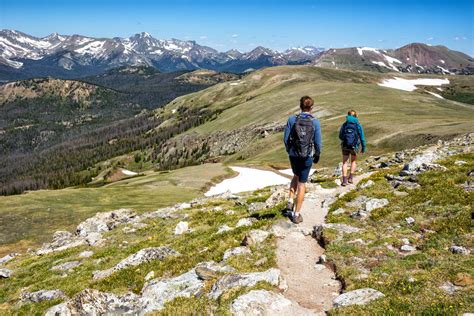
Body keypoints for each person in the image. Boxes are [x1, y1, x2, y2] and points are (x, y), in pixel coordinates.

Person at [283, 96, 322, 224]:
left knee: (295, 175)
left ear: (300, 106)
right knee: (302, 184)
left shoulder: (292, 119)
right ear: (311, 108)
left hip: (294, 154)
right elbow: (317, 142)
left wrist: (290, 150)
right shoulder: (315, 122)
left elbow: (286, 138)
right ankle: (296, 214)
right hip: (307, 156)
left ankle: (290, 201)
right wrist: (317, 154)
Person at [338, 110, 366, 186]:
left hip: (345, 146)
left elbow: (340, 136)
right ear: (356, 116)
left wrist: (345, 139)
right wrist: (363, 148)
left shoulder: (344, 124)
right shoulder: (358, 125)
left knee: (345, 162)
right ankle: (350, 178)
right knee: (353, 161)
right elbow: (362, 138)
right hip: (354, 146)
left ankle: (344, 180)